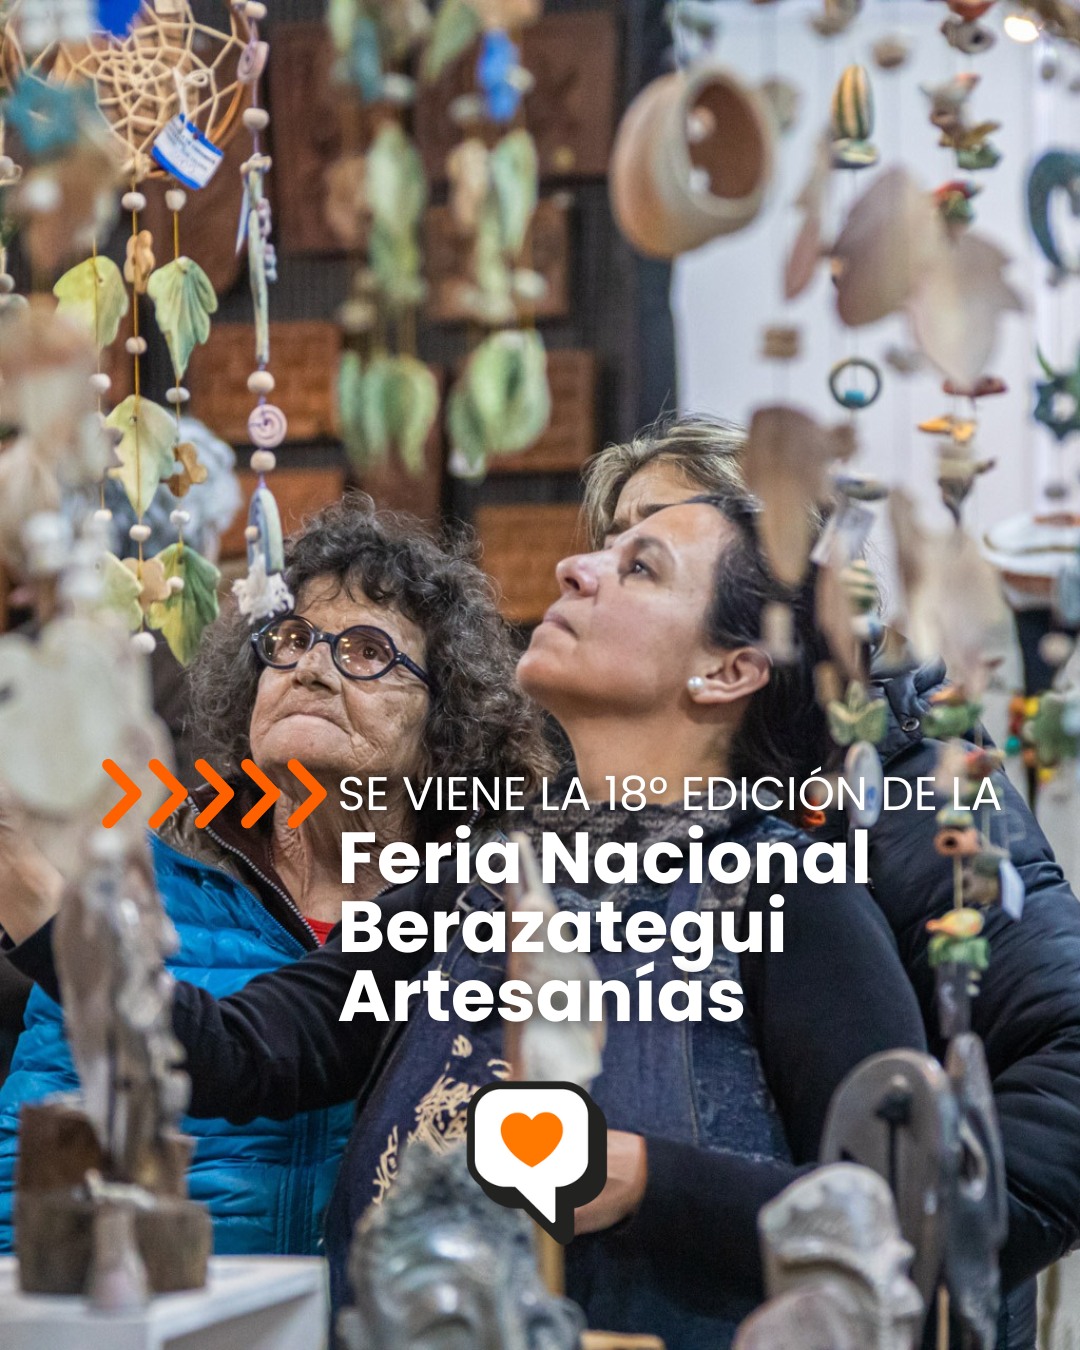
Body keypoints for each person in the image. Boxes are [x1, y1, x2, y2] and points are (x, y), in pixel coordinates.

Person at [2, 486, 928, 1348]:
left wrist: (643, 1178)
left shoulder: (787, 891)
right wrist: (34, 895)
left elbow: (902, 1214)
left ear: (729, 670)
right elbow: (235, 1052)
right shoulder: (469, 884)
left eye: (640, 568)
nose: (574, 567)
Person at [582, 413, 1080, 1350]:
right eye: (615, 543)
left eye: (655, 544)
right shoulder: (618, 809)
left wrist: (911, 1245)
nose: (604, 569)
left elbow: (1067, 1051)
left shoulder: (915, 781)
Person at [0, 498, 551, 1256]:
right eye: (288, 641)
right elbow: (31, 1164)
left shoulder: (486, 910)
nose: (311, 669)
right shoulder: (138, 885)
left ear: (446, 724)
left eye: (367, 651)